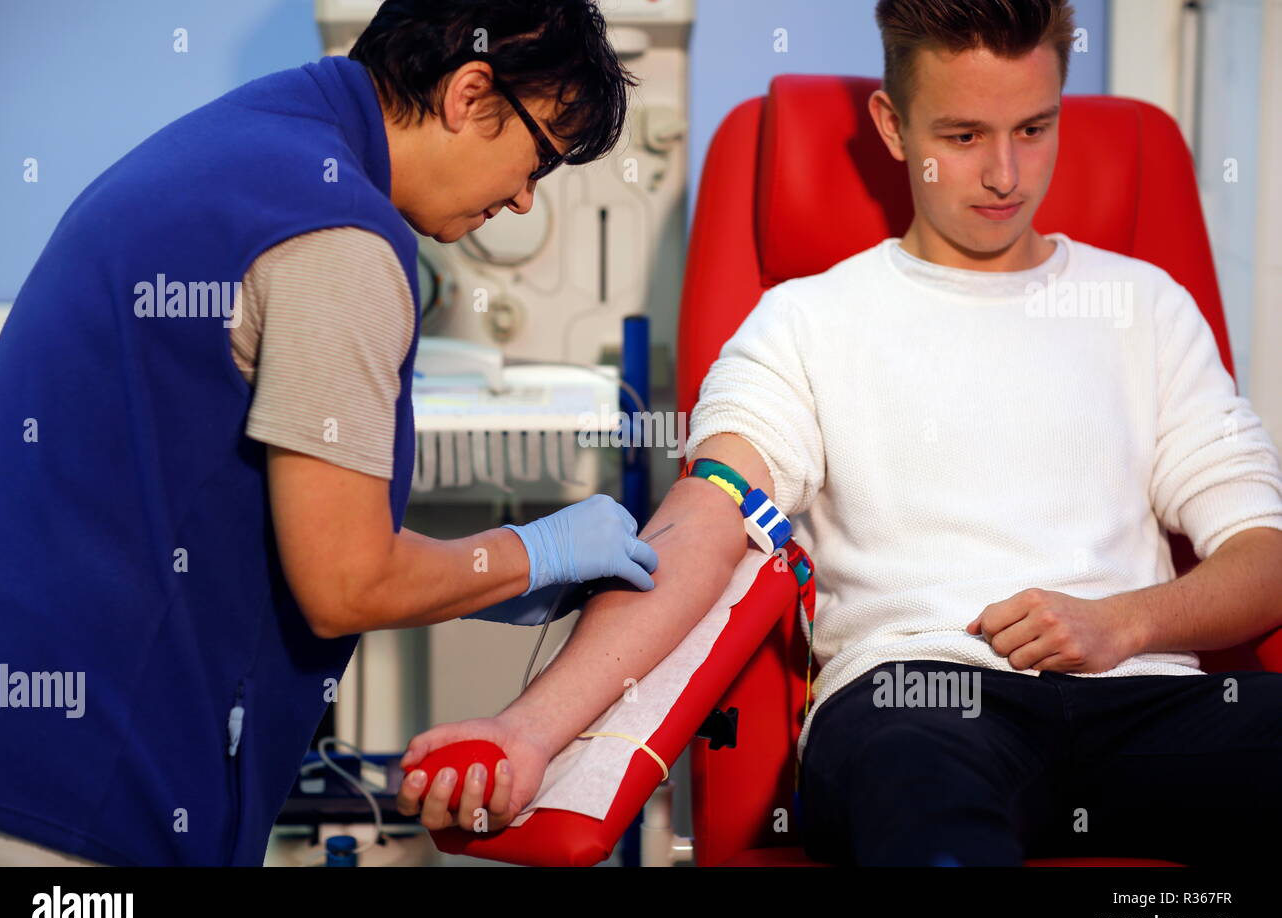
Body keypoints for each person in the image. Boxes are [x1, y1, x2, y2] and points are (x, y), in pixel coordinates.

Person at [398, 0, 1282, 866]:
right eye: (964, 137)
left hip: (1149, 704)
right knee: (932, 814)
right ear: (893, 126)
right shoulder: (804, 324)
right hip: (923, 702)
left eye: (1035, 129)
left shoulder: (1147, 308)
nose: (1007, 175)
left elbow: (1263, 556)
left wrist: (1125, 625)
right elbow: (704, 528)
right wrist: (526, 729)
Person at [0, 0, 653, 866]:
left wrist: (484, 578)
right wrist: (532, 553)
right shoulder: (338, 238)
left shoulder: (241, 142)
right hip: (78, 801)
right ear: (471, 93)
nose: (524, 201)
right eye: (539, 160)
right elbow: (345, 581)